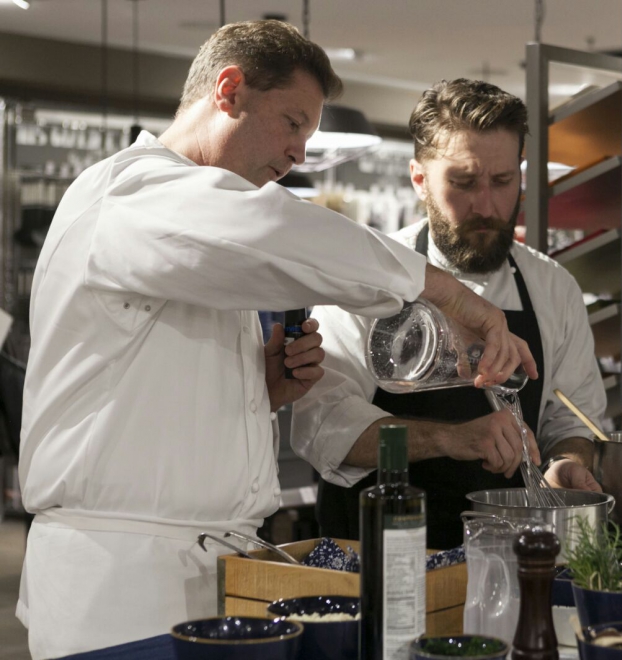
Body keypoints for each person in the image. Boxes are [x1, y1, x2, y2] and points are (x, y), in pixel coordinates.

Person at [16, 24, 535, 659]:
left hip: (217, 571)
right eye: (292, 123)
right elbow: (274, 229)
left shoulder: (190, 221)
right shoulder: (130, 192)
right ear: (228, 90)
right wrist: (451, 295)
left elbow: (140, 396)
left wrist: (257, 394)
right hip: (121, 585)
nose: (297, 154)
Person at [292, 79, 607, 550]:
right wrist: (451, 439)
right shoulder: (365, 277)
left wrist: (563, 462)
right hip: (374, 556)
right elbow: (322, 425)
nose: (486, 206)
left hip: (506, 559)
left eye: (503, 182)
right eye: (462, 183)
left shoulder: (552, 287)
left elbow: (572, 422)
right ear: (419, 179)